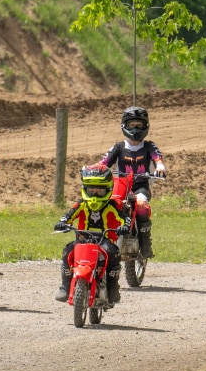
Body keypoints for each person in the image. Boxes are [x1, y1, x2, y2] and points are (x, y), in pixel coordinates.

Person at [87, 106, 166, 258]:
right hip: (120, 186)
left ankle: (145, 243)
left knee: (142, 206)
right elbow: (104, 162)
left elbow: (157, 157)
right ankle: (101, 238)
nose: (136, 129)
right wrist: (94, 168)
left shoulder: (149, 146)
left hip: (140, 187)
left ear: (146, 126)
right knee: (105, 205)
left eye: (139, 125)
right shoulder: (119, 147)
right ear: (124, 125)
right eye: (132, 125)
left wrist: (160, 167)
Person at [53, 166, 129, 304]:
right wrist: (61, 223)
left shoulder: (112, 205)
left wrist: (125, 226)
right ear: (85, 188)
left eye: (100, 190)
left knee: (113, 254)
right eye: (91, 190)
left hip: (104, 239)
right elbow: (68, 216)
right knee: (67, 252)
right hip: (83, 239)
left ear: (108, 189)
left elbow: (124, 218)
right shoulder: (81, 204)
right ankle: (65, 287)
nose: (95, 194)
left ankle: (113, 288)